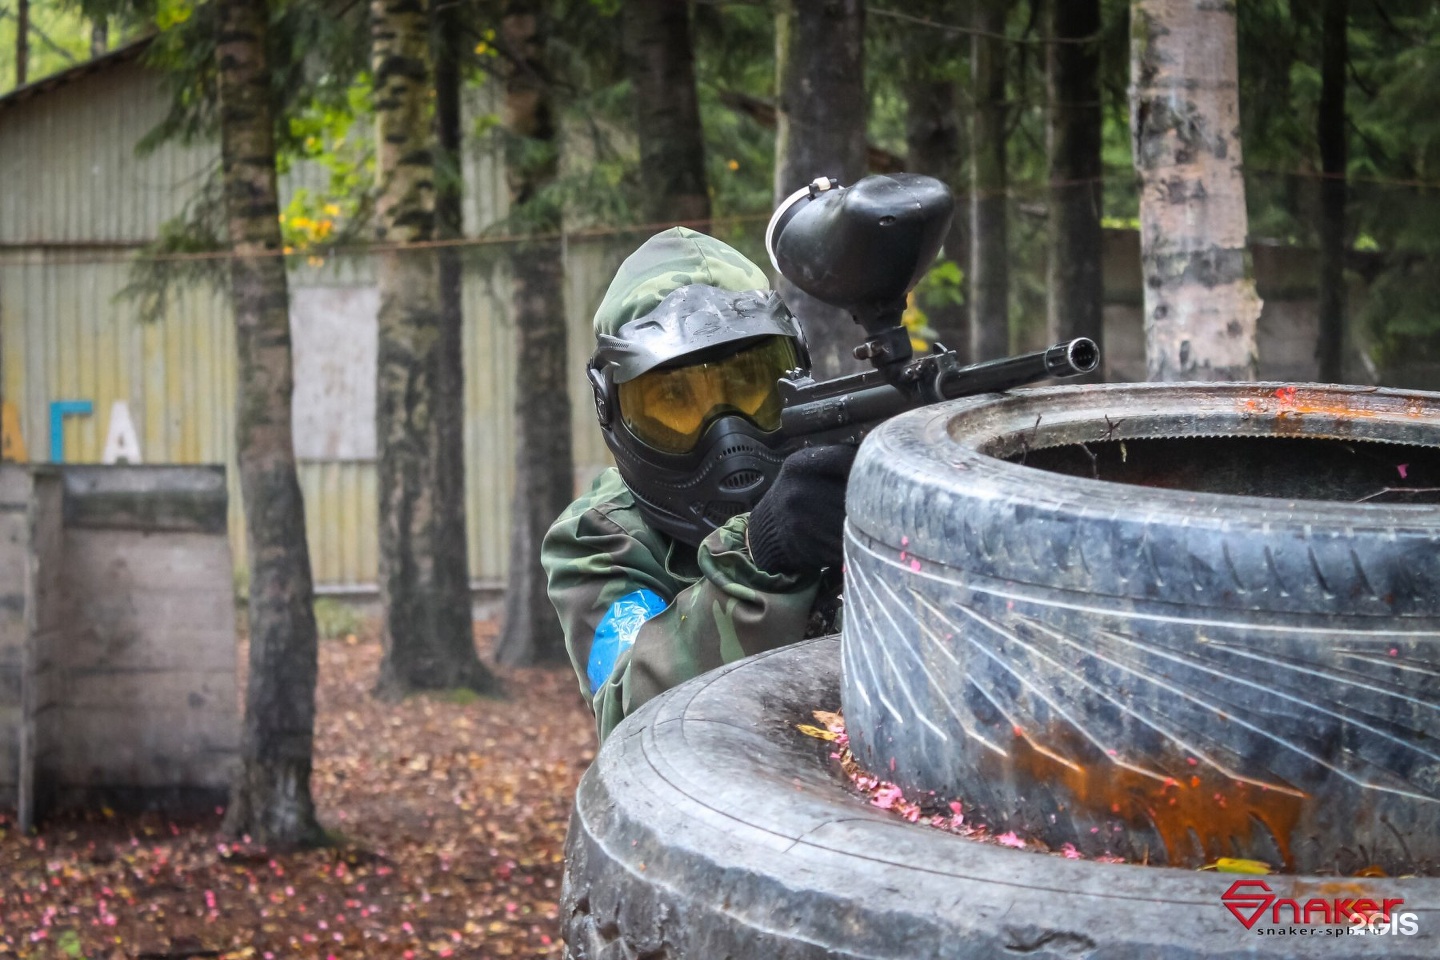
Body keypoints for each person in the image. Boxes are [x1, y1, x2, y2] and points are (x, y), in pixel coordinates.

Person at [542, 227, 855, 742]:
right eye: (674, 402)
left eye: (750, 388)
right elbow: (632, 712)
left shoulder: (832, 476)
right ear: (613, 409)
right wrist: (762, 551)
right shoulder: (600, 540)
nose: (727, 435)